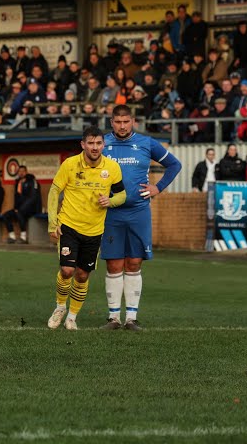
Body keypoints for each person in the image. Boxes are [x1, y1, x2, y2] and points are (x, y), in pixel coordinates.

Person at [98, 105, 183, 331]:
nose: (122, 126)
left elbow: (174, 164)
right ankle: (113, 318)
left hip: (139, 211)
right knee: (114, 263)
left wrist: (158, 187)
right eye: (118, 122)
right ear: (111, 122)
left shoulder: (147, 143)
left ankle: (131, 318)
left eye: (126, 121)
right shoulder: (102, 143)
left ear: (133, 121)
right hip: (110, 212)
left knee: (134, 262)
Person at [46, 125, 127, 331]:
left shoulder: (112, 168)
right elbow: (54, 191)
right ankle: (60, 307)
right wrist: (53, 223)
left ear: (104, 145)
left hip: (94, 231)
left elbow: (121, 195)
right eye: (90, 143)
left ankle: (72, 317)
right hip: (69, 226)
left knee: (82, 275)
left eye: (98, 143)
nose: (95, 147)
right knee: (67, 271)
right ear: (83, 144)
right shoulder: (70, 164)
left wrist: (110, 201)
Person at [2, 164, 41, 243]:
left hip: (31, 209)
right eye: (19, 171)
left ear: (26, 172)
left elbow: (33, 197)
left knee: (19, 213)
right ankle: (12, 236)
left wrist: (21, 209)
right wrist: (16, 208)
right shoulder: (18, 182)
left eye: (23, 171)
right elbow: (17, 197)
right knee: (6, 215)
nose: (21, 173)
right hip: (20, 208)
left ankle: (23, 237)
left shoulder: (32, 181)